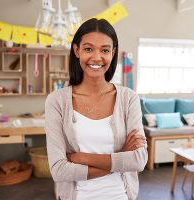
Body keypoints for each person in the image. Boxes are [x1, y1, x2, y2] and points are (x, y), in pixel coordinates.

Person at [45, 18, 148, 200]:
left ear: (113, 53)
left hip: (121, 195)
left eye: (105, 50)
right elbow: (59, 171)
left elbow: (139, 160)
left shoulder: (129, 98)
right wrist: (119, 159)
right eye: (88, 49)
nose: (97, 57)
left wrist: (81, 157)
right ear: (77, 51)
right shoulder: (57, 101)